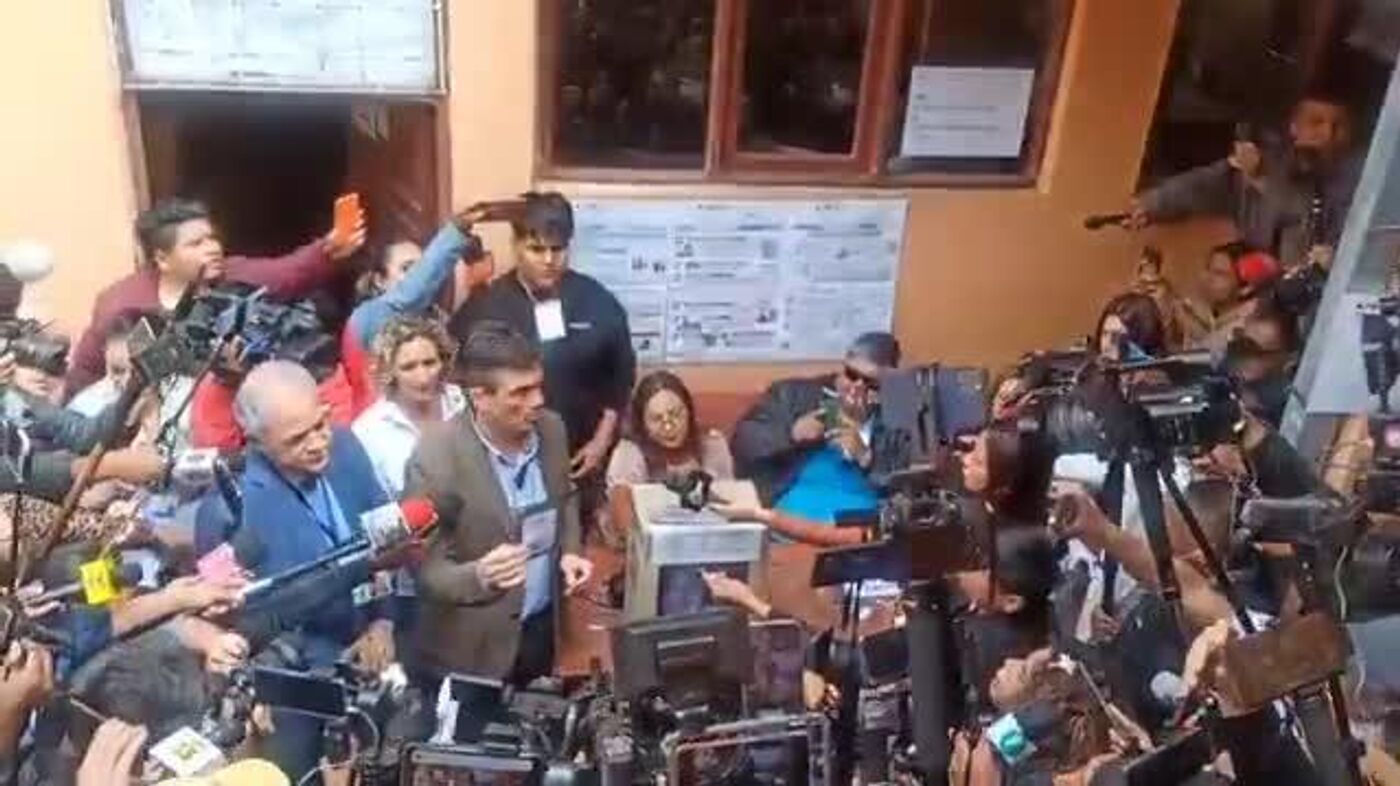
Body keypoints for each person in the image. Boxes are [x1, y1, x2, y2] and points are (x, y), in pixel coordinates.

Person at [199, 361, 395, 778]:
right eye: (296, 439)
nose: (318, 442)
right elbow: (223, 615)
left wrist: (382, 621)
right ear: (257, 440)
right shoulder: (225, 511)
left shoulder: (347, 446)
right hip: (290, 696)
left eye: (320, 424)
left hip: (370, 669)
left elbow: (388, 540)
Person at [404, 321, 593, 686]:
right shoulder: (435, 457)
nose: (537, 401)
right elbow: (425, 571)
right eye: (520, 392)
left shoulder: (552, 429)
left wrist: (570, 551)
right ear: (481, 398)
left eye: (538, 386)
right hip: (471, 654)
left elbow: (566, 496)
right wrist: (479, 576)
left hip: (540, 632)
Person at [447, 193, 636, 519]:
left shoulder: (598, 301)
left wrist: (601, 443)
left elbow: (619, 378)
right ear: (516, 245)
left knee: (572, 538)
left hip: (578, 461)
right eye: (537, 249)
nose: (549, 260)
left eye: (558, 249)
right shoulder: (485, 306)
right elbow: (456, 383)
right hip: (501, 464)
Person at [67, 198, 365, 396]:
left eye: (212, 238)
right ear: (162, 258)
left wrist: (329, 247)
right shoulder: (121, 303)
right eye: (196, 244)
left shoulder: (234, 273)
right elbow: (85, 373)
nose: (212, 248)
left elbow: (289, 272)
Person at [1128, 91, 1362, 272]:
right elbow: (1204, 184)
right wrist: (1153, 204)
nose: (1327, 134)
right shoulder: (1268, 164)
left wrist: (1260, 179)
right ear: (1294, 127)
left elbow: (1304, 215)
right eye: (1316, 122)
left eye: (1338, 126)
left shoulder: (1357, 181)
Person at [732, 332, 901, 520]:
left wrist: (866, 458)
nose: (856, 388)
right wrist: (791, 434)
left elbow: (909, 482)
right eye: (851, 375)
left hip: (860, 524)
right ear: (842, 368)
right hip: (788, 516)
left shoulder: (899, 414)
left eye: (871, 384)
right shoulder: (793, 395)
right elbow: (744, 442)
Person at [343, 207, 495, 415]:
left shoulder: (435, 317)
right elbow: (411, 292)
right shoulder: (369, 316)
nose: (418, 276)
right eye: (407, 269)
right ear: (379, 280)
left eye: (420, 266)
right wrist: (456, 231)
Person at [603, 370, 733, 543]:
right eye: (657, 419)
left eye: (675, 414)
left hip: (705, 539)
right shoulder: (629, 451)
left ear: (689, 411)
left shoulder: (711, 443)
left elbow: (727, 502)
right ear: (643, 423)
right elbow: (622, 515)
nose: (668, 427)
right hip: (648, 544)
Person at [352, 316, 466, 497]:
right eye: (408, 367)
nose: (423, 377)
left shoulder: (465, 403)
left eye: (429, 363)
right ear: (389, 371)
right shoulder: (368, 432)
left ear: (443, 361)